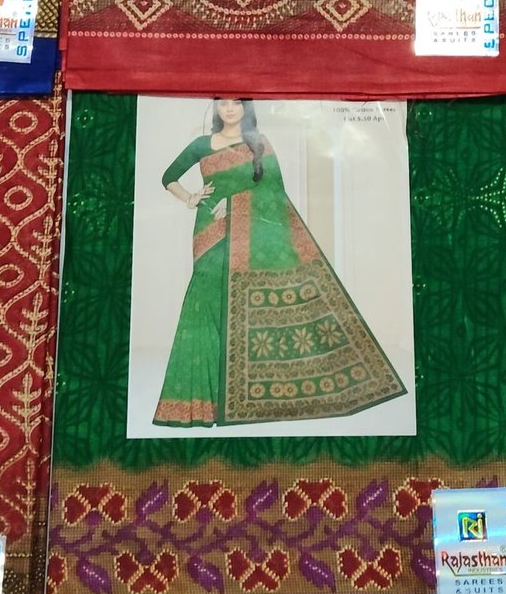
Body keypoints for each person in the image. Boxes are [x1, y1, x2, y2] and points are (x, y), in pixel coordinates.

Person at [154, 98, 405, 426]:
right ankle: (201, 402)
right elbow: (168, 177)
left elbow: (274, 190)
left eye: (236, 103)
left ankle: (239, 395)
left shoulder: (259, 143)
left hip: (248, 231)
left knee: (238, 308)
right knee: (205, 305)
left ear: (246, 108)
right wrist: (190, 198)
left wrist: (235, 204)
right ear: (216, 109)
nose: (229, 109)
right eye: (223, 103)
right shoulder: (201, 145)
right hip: (209, 232)